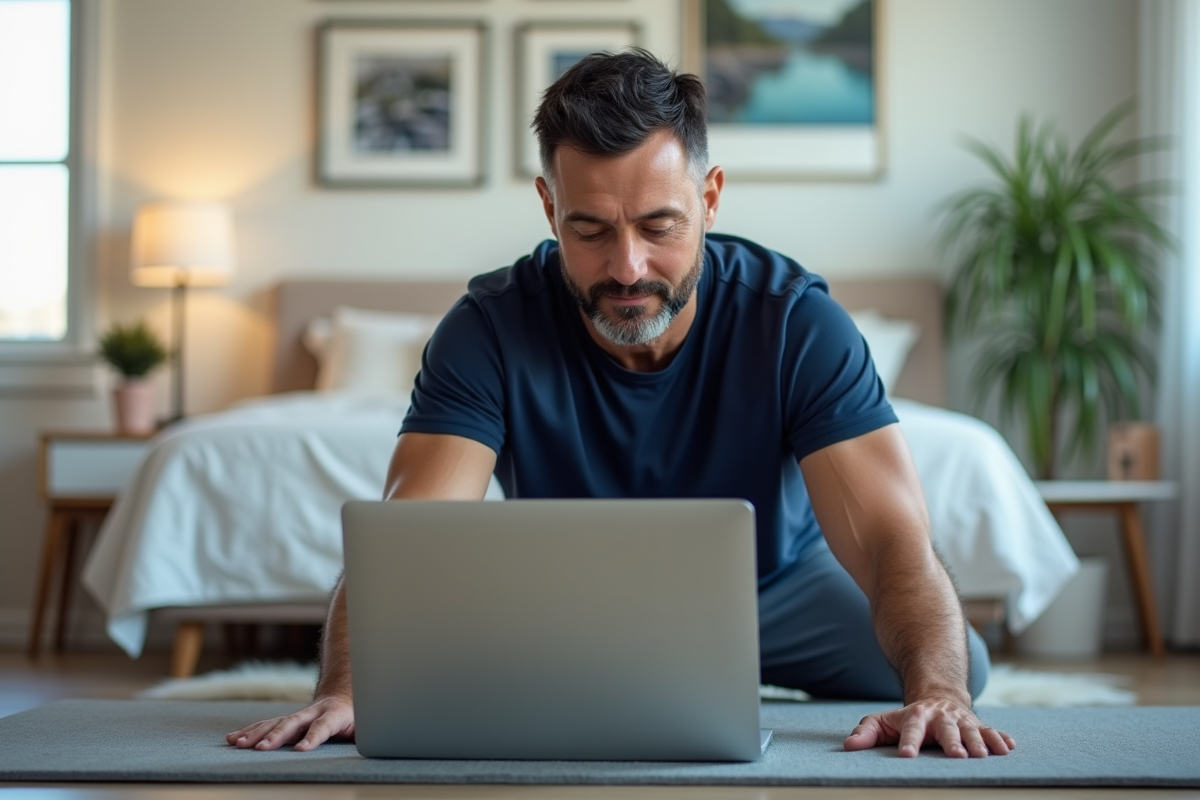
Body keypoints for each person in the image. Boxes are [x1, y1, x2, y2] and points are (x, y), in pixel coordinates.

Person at [228, 48, 1015, 759]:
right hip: (562, 604)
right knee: (418, 673)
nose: (628, 266)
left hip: (776, 592)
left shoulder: (797, 322)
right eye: (591, 230)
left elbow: (887, 535)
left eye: (658, 226)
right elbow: (407, 538)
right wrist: (351, 688)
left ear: (710, 197)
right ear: (548, 209)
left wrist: (936, 691)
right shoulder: (488, 328)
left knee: (953, 663)